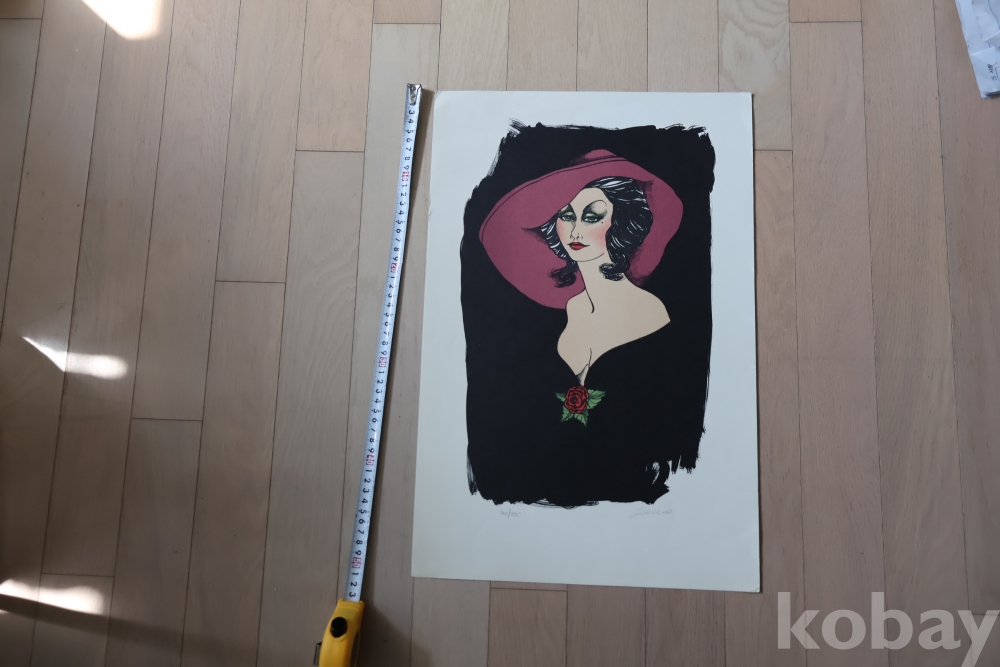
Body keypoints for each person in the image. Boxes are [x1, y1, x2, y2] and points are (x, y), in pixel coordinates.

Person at [462, 133, 713, 507]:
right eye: (567, 216)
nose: (576, 230)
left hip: (640, 497)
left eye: (592, 215)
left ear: (621, 221)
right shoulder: (572, 311)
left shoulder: (650, 313)